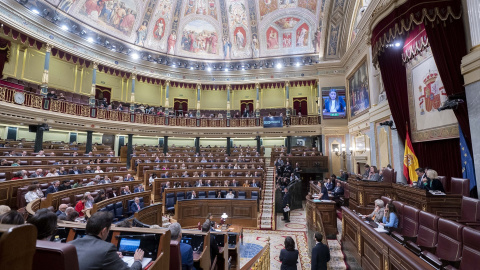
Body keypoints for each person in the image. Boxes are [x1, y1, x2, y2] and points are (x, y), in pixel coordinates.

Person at [70, 211, 145, 270]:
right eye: (108, 230)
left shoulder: (70, 245)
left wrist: (113, 258)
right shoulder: (107, 249)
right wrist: (138, 261)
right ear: (103, 231)